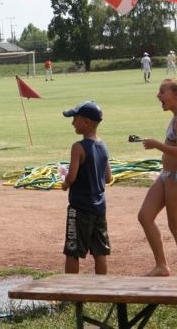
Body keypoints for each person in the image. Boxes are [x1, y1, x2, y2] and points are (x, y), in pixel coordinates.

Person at [137, 78, 177, 277]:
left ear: (176, 95)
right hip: (166, 176)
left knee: (176, 227)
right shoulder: (176, 117)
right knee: (145, 216)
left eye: (162, 92)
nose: (158, 96)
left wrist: (157, 144)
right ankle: (162, 266)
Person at [61, 101, 112, 275]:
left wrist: (65, 183)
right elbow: (108, 177)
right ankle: (101, 289)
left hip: (80, 207)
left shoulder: (78, 148)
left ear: (86, 122)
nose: (72, 123)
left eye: (75, 119)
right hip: (99, 206)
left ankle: (70, 292)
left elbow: (72, 176)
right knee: (100, 251)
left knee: (73, 250)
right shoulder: (103, 146)